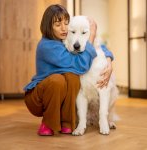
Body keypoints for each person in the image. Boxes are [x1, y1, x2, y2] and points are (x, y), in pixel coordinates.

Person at [24, 4, 114, 136]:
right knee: (58, 79)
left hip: (55, 95)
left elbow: (98, 46)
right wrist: (92, 35)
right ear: (48, 26)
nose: (64, 28)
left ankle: (66, 122)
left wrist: (109, 60)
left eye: (66, 23)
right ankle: (47, 123)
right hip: (38, 99)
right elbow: (80, 65)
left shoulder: (65, 38)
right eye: (57, 24)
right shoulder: (48, 46)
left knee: (71, 77)